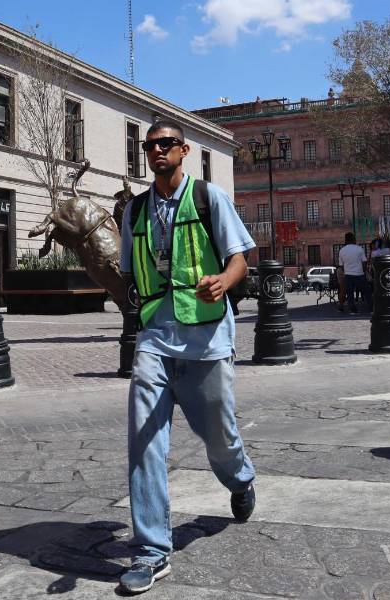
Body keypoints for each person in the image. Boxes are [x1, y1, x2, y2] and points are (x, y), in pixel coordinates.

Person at [118, 119, 256, 594]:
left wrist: (223, 281)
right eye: (150, 145)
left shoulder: (208, 198)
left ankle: (240, 478)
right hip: (155, 338)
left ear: (184, 150)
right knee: (144, 442)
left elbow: (239, 259)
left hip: (207, 338)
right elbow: (129, 273)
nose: (157, 151)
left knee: (219, 434)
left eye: (166, 144)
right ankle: (151, 550)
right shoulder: (135, 210)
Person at [337, 232, 367, 314]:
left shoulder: (342, 250)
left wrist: (346, 271)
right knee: (366, 290)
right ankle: (371, 308)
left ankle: (348, 308)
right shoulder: (359, 249)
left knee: (348, 292)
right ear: (353, 239)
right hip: (358, 273)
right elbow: (364, 262)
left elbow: (341, 265)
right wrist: (363, 271)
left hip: (346, 273)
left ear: (345, 240)